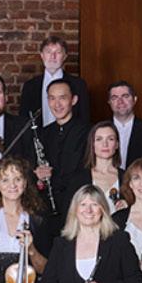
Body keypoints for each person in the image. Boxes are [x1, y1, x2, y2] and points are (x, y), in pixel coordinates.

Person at [35, 79, 91, 217]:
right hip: (47, 207)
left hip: (78, 204)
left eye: (63, 98)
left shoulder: (88, 132)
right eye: (52, 98)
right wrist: (39, 175)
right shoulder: (43, 133)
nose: (57, 104)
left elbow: (84, 172)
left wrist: (54, 177)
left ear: (74, 100)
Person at [18, 34, 90, 125]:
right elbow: (24, 120)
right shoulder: (30, 86)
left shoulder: (78, 84)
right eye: (48, 52)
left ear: (65, 56)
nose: (53, 56)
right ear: (42, 55)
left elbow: (84, 119)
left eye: (58, 52)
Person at [58, 121, 126, 213]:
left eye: (110, 139)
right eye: (99, 139)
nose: (105, 144)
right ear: (92, 145)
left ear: (117, 144)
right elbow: (69, 214)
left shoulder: (127, 177)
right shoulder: (77, 179)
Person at [105, 81, 142, 169]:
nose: (120, 101)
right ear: (109, 102)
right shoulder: (98, 131)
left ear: (134, 99)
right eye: (114, 98)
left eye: (125, 96)